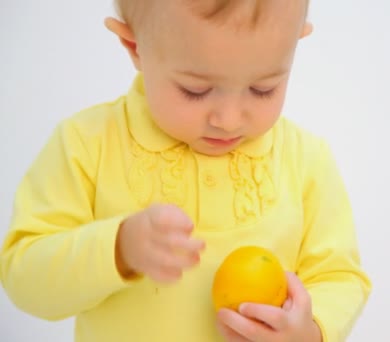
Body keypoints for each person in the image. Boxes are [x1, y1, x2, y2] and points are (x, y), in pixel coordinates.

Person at [0, 0, 371, 341]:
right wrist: (116, 249)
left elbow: (338, 276)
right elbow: (24, 276)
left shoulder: (305, 158)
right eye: (195, 90)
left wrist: (311, 330)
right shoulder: (87, 144)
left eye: (262, 89)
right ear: (135, 48)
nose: (228, 120)